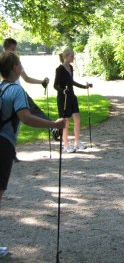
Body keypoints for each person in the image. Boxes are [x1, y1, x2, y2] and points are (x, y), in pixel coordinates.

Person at [0, 51, 65, 258]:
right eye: (19, 64)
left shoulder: (0, 88)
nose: (21, 67)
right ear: (15, 68)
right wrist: (53, 125)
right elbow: (26, 118)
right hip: (4, 144)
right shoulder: (16, 91)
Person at [2, 38, 60, 162]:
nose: (14, 52)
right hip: (10, 92)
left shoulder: (15, 62)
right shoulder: (4, 63)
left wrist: (41, 82)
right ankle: (52, 126)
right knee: (10, 121)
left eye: (15, 50)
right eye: (12, 50)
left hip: (18, 91)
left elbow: (26, 78)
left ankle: (52, 127)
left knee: (29, 113)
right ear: (5, 48)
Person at [54, 48, 92, 153]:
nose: (73, 57)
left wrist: (85, 86)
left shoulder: (70, 67)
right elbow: (55, 85)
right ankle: (66, 145)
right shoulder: (59, 69)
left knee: (77, 119)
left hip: (72, 97)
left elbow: (72, 82)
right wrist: (63, 90)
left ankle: (77, 142)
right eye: (72, 56)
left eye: (73, 56)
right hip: (63, 98)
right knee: (65, 122)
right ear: (66, 56)